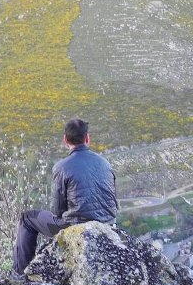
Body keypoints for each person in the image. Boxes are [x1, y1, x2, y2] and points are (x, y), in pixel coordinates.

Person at [13, 118, 118, 275]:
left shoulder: (62, 167)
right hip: (107, 225)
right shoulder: (105, 163)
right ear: (87, 138)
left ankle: (20, 274)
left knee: (27, 218)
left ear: (65, 140)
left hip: (77, 227)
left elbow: (57, 210)